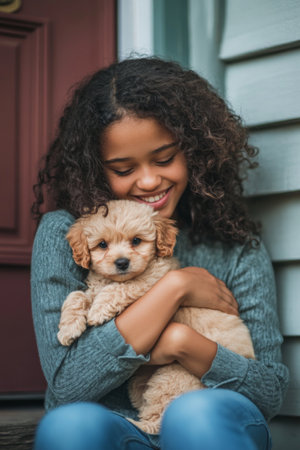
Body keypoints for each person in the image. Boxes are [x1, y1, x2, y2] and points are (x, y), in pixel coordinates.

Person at [31, 57, 289, 450]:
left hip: (211, 421)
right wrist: (176, 287)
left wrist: (183, 341)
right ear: (95, 170)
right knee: (70, 426)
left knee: (195, 414)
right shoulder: (67, 233)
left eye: (165, 158)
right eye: (123, 168)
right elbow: (68, 387)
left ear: (195, 150)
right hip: (114, 425)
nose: (150, 181)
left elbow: (268, 391)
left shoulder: (233, 244)